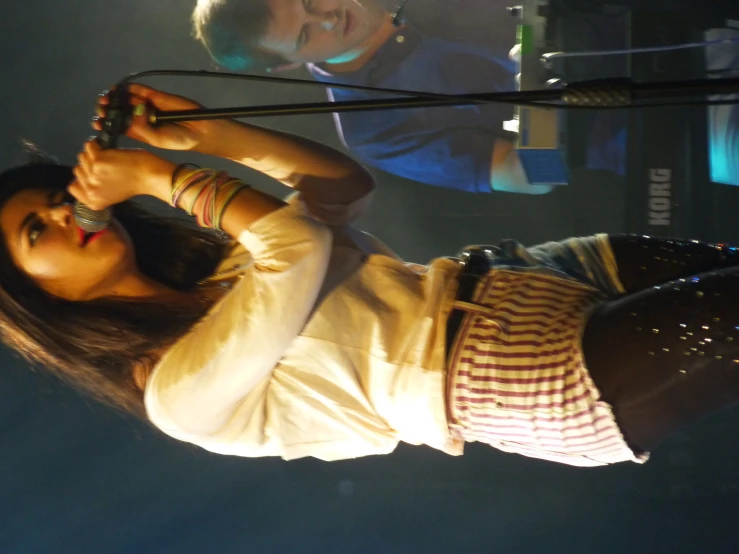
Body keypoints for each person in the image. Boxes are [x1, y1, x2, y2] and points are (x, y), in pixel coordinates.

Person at [2, 84, 739, 466]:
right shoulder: (173, 390)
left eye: (58, 200)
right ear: (36, 300)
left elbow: (341, 192)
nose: (69, 216)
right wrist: (163, 173)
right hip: (511, 376)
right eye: (38, 232)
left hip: (530, 275)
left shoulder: (224, 268)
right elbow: (293, 247)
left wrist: (212, 136)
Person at [192, 0, 630, 195]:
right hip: (653, 129)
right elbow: (534, 178)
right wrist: (534, 66)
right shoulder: (371, 126)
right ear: (285, 65)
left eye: (310, 0)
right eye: (306, 32)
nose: (329, 16)